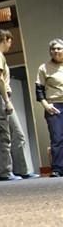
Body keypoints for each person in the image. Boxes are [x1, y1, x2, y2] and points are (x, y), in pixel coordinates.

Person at [0, 29, 38, 180]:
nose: (10, 45)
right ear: (5, 39)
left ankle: (22, 170)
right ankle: (3, 173)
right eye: (10, 41)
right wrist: (2, 99)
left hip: (1, 97)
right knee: (2, 136)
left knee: (18, 134)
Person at [35, 38, 63, 177]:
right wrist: (46, 105)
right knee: (57, 138)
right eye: (53, 49)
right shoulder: (44, 68)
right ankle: (57, 168)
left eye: (59, 48)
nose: (56, 51)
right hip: (54, 106)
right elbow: (39, 89)